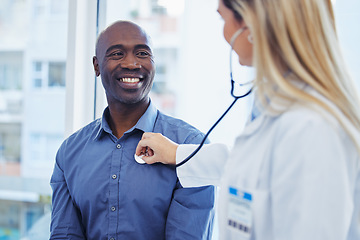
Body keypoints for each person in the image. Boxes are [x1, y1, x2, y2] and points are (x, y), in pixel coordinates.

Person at [136, 0, 360, 239]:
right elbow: (259, 165)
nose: (224, 34)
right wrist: (178, 154)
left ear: (251, 24)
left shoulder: (313, 128)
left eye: (223, 18)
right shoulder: (279, 109)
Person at [50, 20, 216, 240]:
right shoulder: (69, 153)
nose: (131, 63)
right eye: (117, 54)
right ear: (96, 66)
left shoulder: (191, 149)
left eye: (142, 53)